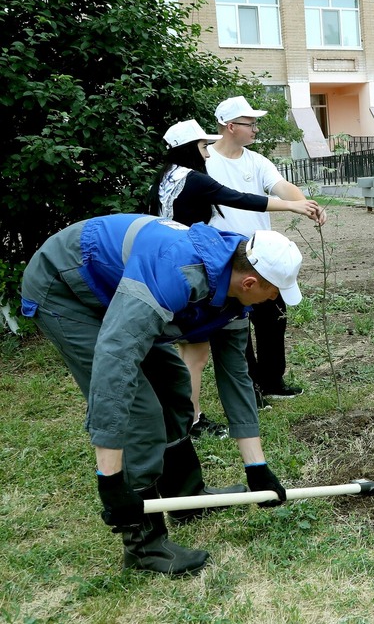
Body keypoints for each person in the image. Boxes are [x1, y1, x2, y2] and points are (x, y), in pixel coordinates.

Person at [20, 215, 297, 575]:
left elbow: (236, 377)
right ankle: (143, 546)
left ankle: (186, 497)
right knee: (142, 412)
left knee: (173, 384)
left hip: (119, 286)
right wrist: (112, 482)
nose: (273, 299)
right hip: (66, 288)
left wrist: (256, 467)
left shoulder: (234, 293)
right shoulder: (176, 273)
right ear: (249, 282)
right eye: (272, 292)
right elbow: (115, 363)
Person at [147, 120, 323, 438]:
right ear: (190, 149)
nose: (207, 153)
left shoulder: (164, 179)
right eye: (202, 147)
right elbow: (240, 198)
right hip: (193, 268)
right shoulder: (194, 179)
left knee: (192, 351)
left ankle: (188, 417)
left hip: (170, 263)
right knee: (196, 353)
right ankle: (190, 421)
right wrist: (293, 206)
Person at [204, 96, 327, 405]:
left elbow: (282, 187)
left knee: (273, 318)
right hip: (228, 259)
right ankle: (251, 390)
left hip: (263, 255)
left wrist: (304, 204)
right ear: (231, 127)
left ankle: (272, 380)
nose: (255, 129)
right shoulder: (206, 162)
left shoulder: (256, 161)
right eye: (251, 124)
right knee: (235, 326)